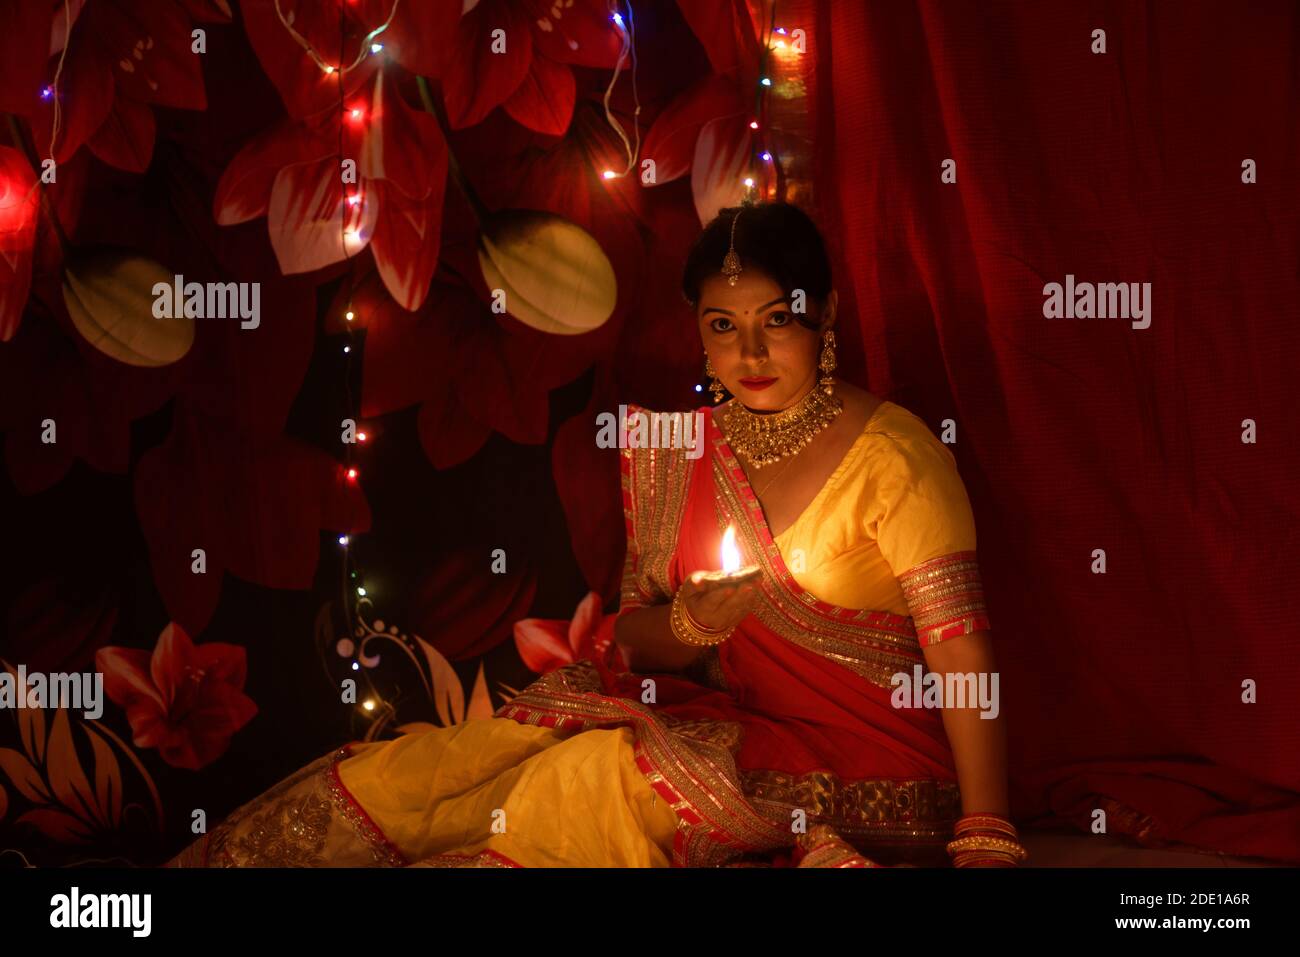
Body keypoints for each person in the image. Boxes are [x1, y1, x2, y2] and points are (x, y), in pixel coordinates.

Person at [167, 201, 1025, 869]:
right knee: (472, 756)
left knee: (584, 780)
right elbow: (640, 636)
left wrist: (985, 833)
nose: (750, 351)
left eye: (779, 318)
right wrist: (692, 625)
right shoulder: (682, 447)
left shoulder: (897, 457)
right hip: (733, 726)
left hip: (874, 764)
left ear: (825, 312)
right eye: (723, 326)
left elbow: (965, 658)